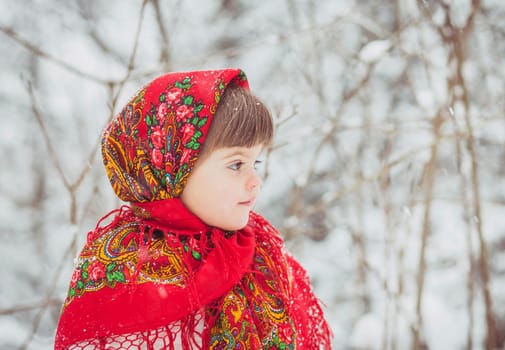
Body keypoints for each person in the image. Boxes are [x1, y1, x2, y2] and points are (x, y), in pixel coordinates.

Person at [54, 68, 332, 349]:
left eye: (255, 163)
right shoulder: (124, 269)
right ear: (174, 168)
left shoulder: (262, 255)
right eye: (236, 164)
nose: (255, 182)